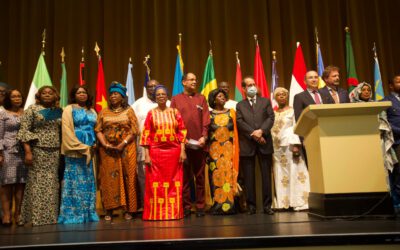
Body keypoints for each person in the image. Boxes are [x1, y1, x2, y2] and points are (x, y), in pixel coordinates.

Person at [17, 86, 62, 226]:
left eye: (50, 93)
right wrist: (28, 152)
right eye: (44, 93)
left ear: (55, 96)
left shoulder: (59, 111)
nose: (47, 95)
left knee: (51, 184)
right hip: (38, 150)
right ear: (39, 95)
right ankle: (35, 218)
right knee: (36, 183)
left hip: (54, 151)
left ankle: (50, 217)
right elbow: (24, 131)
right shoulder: (32, 109)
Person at [140, 85, 187, 220]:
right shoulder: (151, 113)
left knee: (174, 182)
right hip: (156, 153)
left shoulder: (175, 112)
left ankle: (173, 213)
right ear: (155, 97)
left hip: (174, 152)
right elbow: (146, 135)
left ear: (167, 97)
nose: (161, 96)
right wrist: (147, 155)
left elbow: (182, 131)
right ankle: (155, 214)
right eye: (158, 94)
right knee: (155, 183)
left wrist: (182, 151)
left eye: (163, 94)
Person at [95, 82, 139, 221]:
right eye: (112, 94)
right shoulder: (103, 111)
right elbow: (98, 130)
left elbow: (134, 130)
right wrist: (105, 144)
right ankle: (109, 210)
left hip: (127, 148)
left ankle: (130, 210)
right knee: (109, 179)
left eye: (116, 94)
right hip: (108, 150)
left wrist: (122, 144)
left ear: (122, 96)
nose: (113, 96)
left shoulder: (129, 111)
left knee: (129, 177)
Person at [171, 72, 210, 217]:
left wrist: (204, 137)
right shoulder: (176, 99)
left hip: (199, 144)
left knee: (200, 177)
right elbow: (173, 121)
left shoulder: (201, 98)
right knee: (185, 178)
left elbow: (206, 119)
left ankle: (200, 206)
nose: (194, 81)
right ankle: (186, 206)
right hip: (182, 146)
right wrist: (181, 139)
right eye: (191, 79)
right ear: (183, 82)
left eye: (195, 79)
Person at [58, 85, 99, 224]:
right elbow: (67, 130)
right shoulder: (68, 109)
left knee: (88, 181)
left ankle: (88, 213)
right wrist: (81, 147)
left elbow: (96, 129)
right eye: (78, 92)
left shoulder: (92, 110)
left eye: (84, 92)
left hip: (91, 149)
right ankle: (73, 214)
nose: (82, 94)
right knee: (74, 182)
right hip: (76, 149)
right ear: (74, 95)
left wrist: (95, 144)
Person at [236, 76, 275, 215]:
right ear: (244, 89)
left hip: (265, 143)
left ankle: (267, 206)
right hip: (248, 145)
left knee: (266, 177)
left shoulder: (265, 101)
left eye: (254, 84)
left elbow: (271, 118)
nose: (252, 87)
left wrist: (261, 131)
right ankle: (251, 206)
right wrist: (253, 134)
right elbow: (240, 122)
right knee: (249, 178)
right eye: (249, 85)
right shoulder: (240, 105)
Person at [131, 79, 170, 211]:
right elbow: (133, 125)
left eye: (155, 86)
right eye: (150, 86)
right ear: (146, 88)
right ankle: (146, 204)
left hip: (164, 147)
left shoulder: (168, 103)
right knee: (144, 175)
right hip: (144, 146)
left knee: (162, 175)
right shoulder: (138, 104)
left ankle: (163, 203)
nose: (153, 88)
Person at [271, 87, 309, 211]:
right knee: (281, 175)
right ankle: (283, 203)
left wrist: (296, 146)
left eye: (284, 94)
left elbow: (295, 127)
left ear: (287, 97)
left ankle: (298, 202)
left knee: (294, 171)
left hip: (290, 147)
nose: (282, 96)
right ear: (275, 98)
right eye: (279, 95)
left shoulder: (293, 111)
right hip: (277, 149)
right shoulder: (272, 113)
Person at [206, 88, 239, 215]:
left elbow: (237, 131)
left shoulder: (232, 113)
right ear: (214, 99)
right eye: (220, 96)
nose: (223, 98)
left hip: (229, 150)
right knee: (216, 178)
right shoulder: (208, 114)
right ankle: (217, 205)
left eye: (224, 96)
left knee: (229, 177)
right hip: (214, 151)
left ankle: (230, 205)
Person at [0, 89, 27, 226]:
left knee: (21, 184)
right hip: (7, 151)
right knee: (7, 184)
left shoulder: (26, 112)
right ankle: (6, 214)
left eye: (19, 96)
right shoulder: (3, 113)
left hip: (24, 151)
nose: (17, 98)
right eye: (14, 96)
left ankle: (18, 214)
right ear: (8, 99)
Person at [380, 76, 400, 218]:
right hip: (397, 143)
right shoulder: (385, 102)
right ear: (391, 86)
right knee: (398, 176)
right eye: (398, 81)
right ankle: (397, 204)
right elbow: (385, 124)